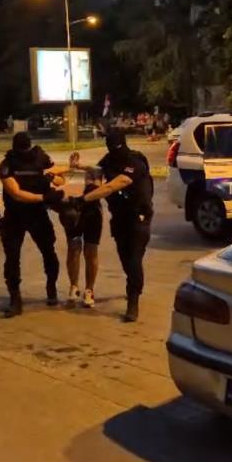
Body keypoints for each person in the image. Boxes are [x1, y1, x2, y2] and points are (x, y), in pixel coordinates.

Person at [71, 128, 154, 322]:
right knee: (125, 259)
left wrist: (83, 199)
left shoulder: (135, 162)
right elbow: (98, 170)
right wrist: (79, 166)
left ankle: (133, 302)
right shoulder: (109, 160)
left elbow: (113, 185)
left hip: (138, 217)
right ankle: (135, 284)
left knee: (133, 259)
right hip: (119, 218)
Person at [0, 132, 68, 319]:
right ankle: (15, 299)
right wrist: (44, 197)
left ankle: (51, 288)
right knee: (12, 257)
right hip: (15, 214)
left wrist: (50, 178)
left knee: (48, 251)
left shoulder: (41, 158)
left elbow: (61, 179)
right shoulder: (7, 164)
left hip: (37, 214)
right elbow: (16, 193)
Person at [60, 165, 103, 309]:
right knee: (73, 250)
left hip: (93, 214)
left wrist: (80, 166)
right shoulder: (62, 173)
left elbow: (97, 170)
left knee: (91, 252)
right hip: (72, 212)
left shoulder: (95, 174)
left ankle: (89, 290)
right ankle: (74, 287)